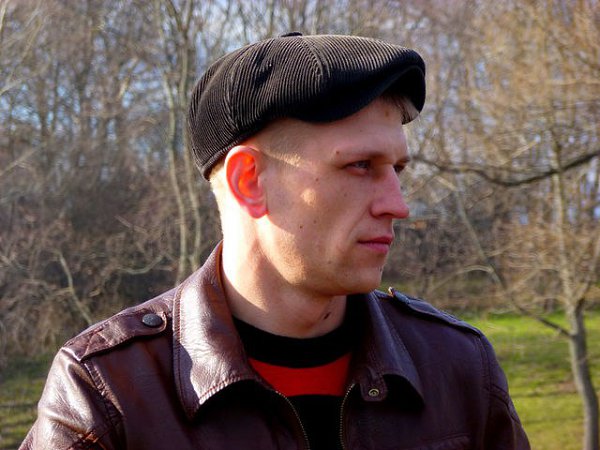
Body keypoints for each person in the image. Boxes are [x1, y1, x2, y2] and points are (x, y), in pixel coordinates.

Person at [21, 33, 530, 449]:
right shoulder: (110, 394)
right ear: (249, 180)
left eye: (396, 169)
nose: (398, 205)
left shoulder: (456, 367)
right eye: (360, 166)